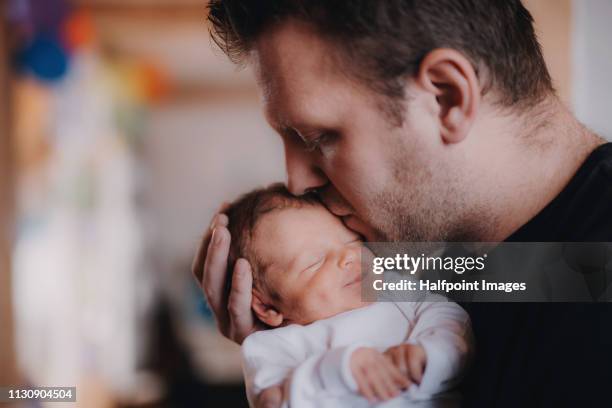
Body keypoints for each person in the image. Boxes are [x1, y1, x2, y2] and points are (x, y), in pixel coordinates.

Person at [192, 1, 612, 407]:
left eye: (320, 138)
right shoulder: (472, 262)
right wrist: (301, 344)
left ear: (446, 97)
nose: (296, 183)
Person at [220, 183, 472, 407]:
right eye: (314, 262)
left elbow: (449, 317)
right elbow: (273, 401)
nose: (348, 257)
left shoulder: (396, 290)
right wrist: (338, 369)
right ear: (267, 307)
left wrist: (430, 353)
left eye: (353, 241)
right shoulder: (271, 345)